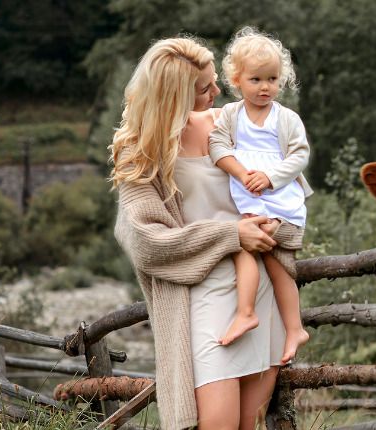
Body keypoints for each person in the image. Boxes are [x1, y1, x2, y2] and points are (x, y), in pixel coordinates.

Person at [111, 36, 283, 430]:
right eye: (204, 88)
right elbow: (144, 242)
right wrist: (230, 235)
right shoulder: (140, 152)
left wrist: (272, 223)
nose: (218, 91)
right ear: (171, 97)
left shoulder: (234, 124)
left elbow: (285, 188)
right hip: (200, 297)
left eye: (213, 82)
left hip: (255, 290)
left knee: (248, 424)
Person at [209, 26, 311, 364]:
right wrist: (241, 173)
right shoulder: (230, 115)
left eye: (272, 79)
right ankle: (284, 324)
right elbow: (217, 145)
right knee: (265, 254)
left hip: (279, 198)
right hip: (248, 197)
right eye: (256, 80)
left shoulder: (286, 119)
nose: (265, 87)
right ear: (236, 80)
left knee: (257, 245)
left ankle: (249, 313)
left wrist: (269, 177)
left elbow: (299, 156)